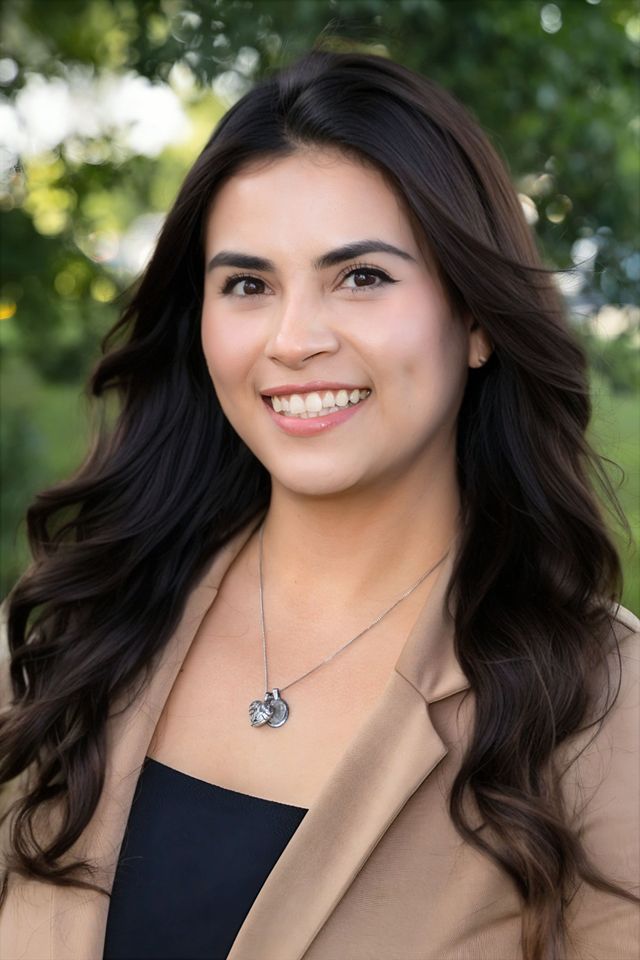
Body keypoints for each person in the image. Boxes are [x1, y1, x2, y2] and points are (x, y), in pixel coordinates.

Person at [0, 47, 638, 960]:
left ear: (476, 320)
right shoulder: (70, 638)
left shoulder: (603, 705)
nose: (294, 340)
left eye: (362, 277)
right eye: (248, 285)